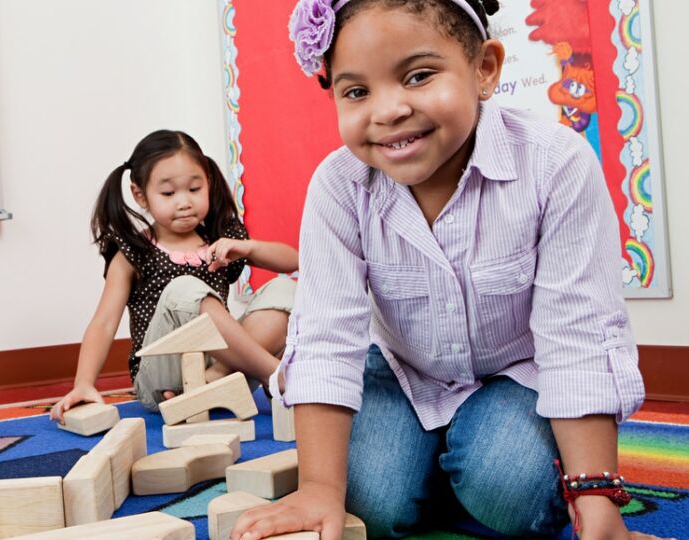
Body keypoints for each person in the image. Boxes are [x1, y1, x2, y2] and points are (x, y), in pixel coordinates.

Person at [231, 1, 658, 538]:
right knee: (370, 506)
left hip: (517, 374)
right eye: (356, 91)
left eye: (418, 75)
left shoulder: (556, 164)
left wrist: (597, 504)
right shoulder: (338, 187)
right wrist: (319, 489)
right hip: (401, 372)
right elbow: (325, 335)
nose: (387, 111)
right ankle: (432, 463)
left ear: (485, 68)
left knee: (510, 493)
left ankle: (464, 463)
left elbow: (579, 335)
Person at [49, 130, 298, 422]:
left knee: (285, 290)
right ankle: (276, 376)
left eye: (194, 189)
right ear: (140, 195)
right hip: (162, 379)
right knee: (186, 288)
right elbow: (104, 323)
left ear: (209, 183)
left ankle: (215, 378)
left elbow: (293, 262)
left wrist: (248, 248)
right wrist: (83, 383)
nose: (184, 202)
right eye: (168, 194)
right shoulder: (135, 251)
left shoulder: (220, 241)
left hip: (224, 361)